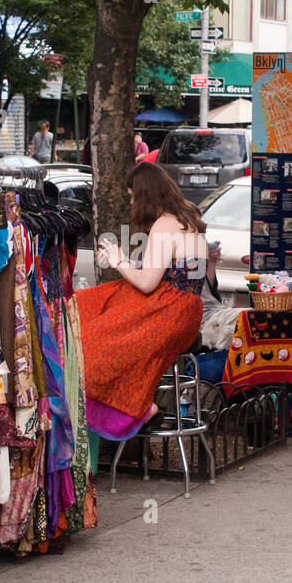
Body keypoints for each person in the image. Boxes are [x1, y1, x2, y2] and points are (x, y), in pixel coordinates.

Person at [77, 162, 214, 440]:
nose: (130, 202)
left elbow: (147, 283)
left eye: (131, 196)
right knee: (95, 320)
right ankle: (131, 409)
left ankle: (132, 410)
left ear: (144, 195)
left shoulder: (164, 225)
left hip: (166, 313)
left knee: (87, 340)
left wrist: (119, 260)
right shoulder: (188, 218)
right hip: (183, 314)